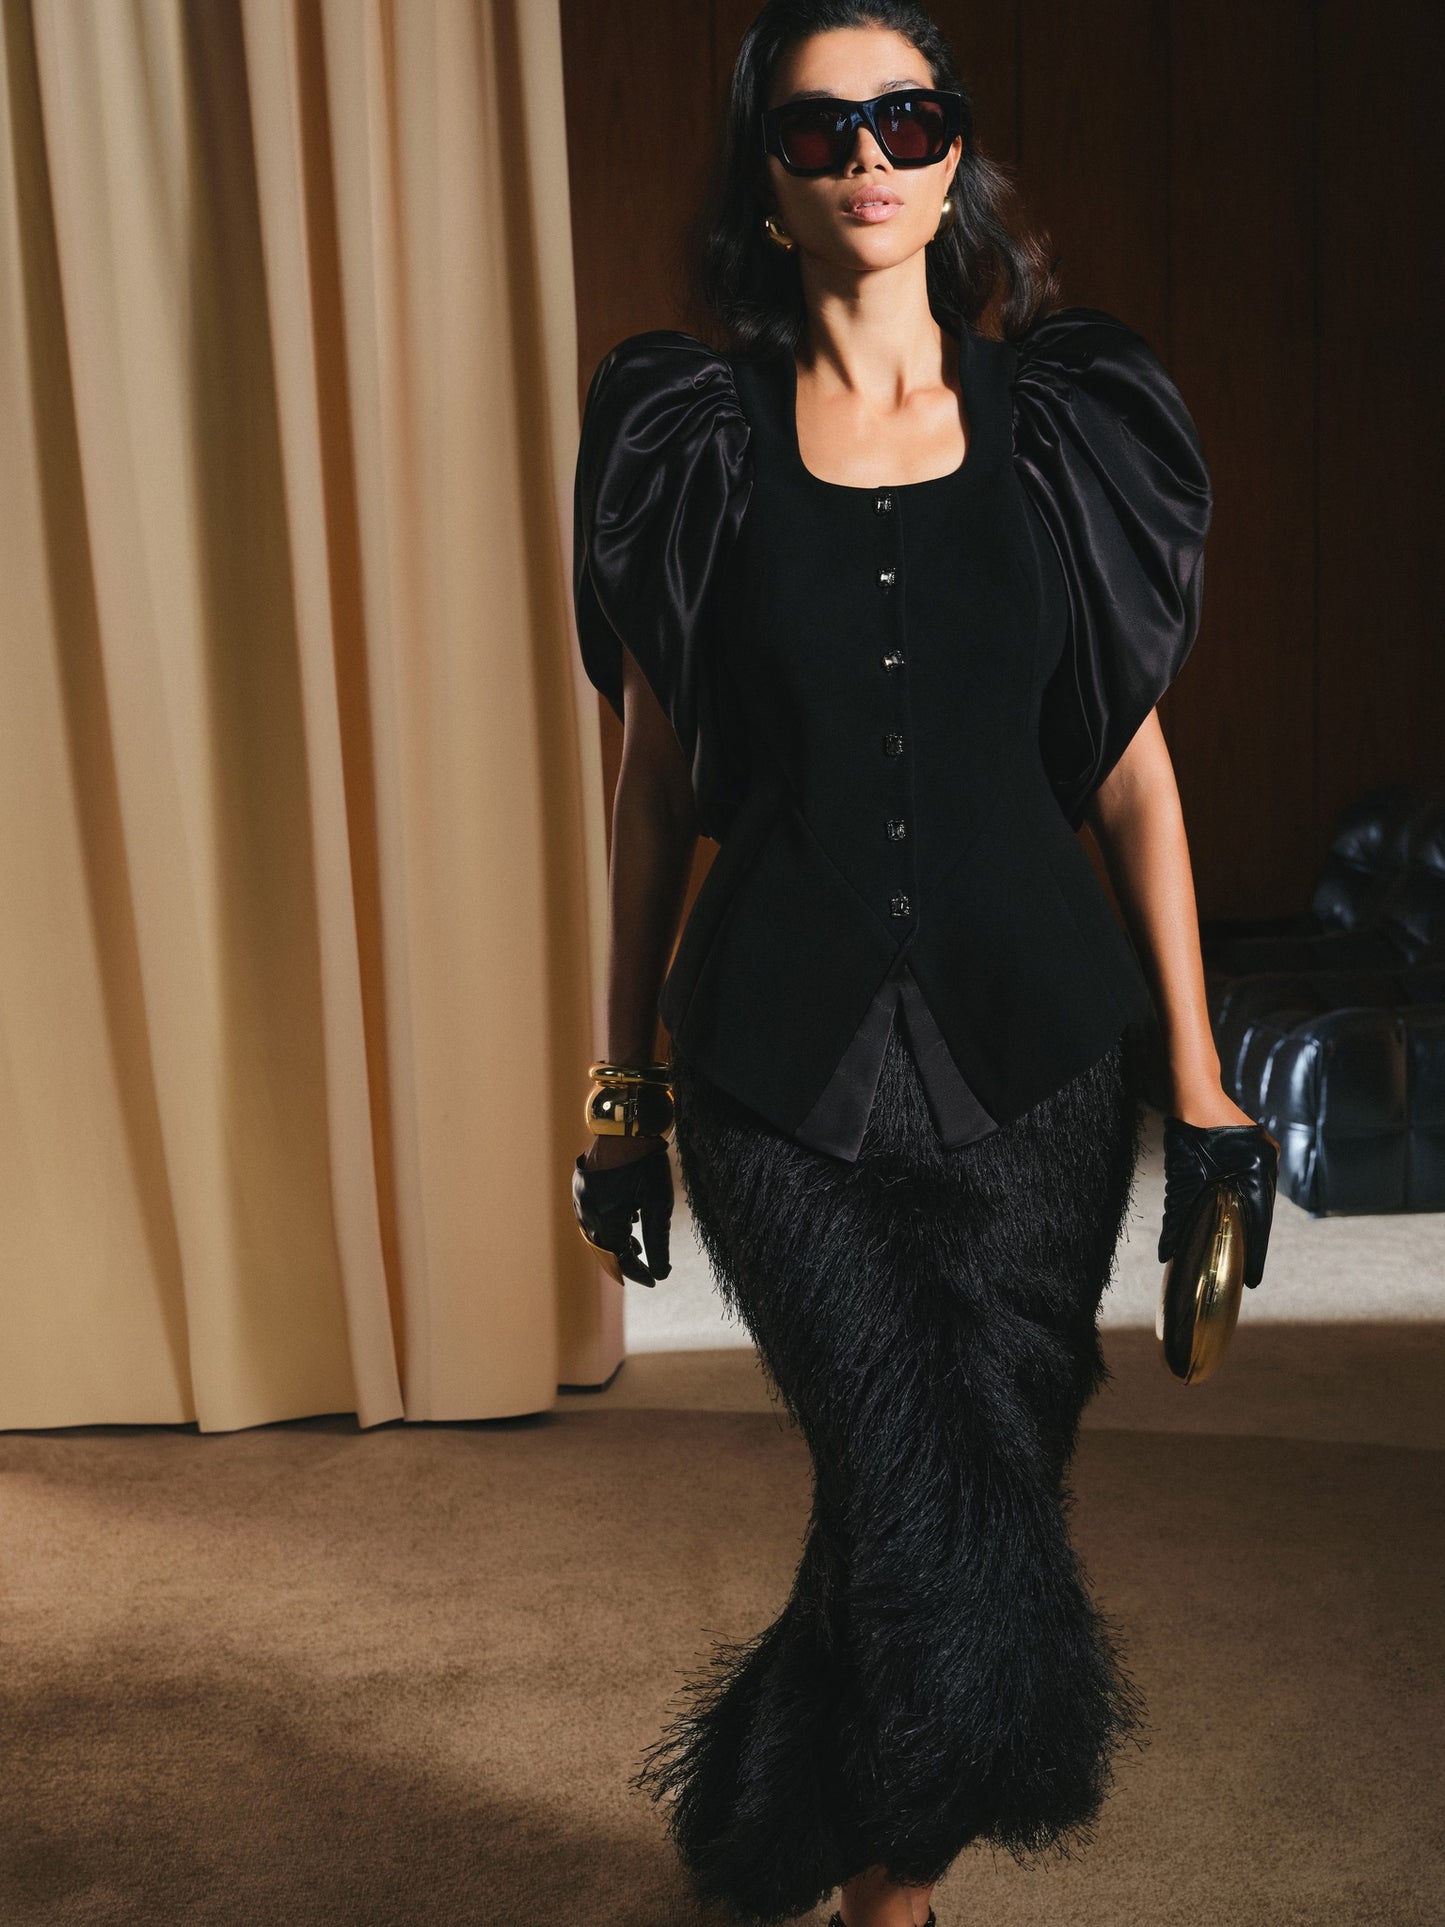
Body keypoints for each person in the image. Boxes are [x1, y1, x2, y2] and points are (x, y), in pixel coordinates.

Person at [569, 5, 1277, 1925]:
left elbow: (1133, 782)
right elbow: (651, 802)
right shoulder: (686, 442)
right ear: (768, 183)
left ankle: (811, 1838)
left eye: (908, 116)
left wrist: (1203, 1087)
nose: (869, 154)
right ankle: (893, 1886)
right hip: (771, 1079)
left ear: (955, 154)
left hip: (1044, 1065)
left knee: (982, 1471)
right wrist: (618, 1087)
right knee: (908, 1476)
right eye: (820, 131)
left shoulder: (1068, 430)